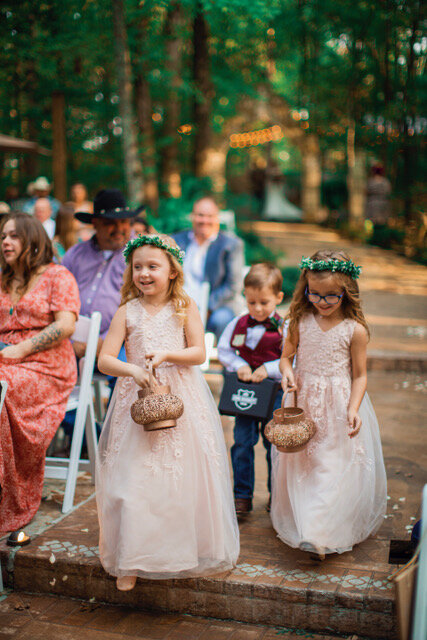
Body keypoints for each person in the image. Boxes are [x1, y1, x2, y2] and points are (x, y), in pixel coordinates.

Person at [96, 234, 239, 590]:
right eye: (138, 267)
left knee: (179, 476)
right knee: (133, 478)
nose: (144, 273)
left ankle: (182, 548)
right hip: (138, 398)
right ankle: (130, 558)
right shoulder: (126, 311)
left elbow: (198, 354)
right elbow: (105, 359)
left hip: (181, 396)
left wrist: (167, 356)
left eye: (153, 267)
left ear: (172, 272)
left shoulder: (185, 306)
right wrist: (132, 369)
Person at [271, 249, 387, 558]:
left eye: (331, 296)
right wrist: (287, 375)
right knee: (305, 463)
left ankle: (317, 534)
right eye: (315, 294)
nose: (322, 302)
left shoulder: (355, 330)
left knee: (331, 467)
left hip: (337, 406)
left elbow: (360, 376)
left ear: (346, 293)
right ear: (305, 289)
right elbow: (286, 358)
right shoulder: (299, 321)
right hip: (304, 402)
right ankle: (310, 524)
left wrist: (353, 408)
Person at [0, 213, 80, 536]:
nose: (6, 242)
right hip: (6, 357)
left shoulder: (58, 277)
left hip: (47, 365)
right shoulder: (3, 279)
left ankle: (9, 491)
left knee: (2, 387)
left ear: (33, 239)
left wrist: (21, 349)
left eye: (14, 236)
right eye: (3, 236)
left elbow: (66, 325)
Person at [218, 263, 285, 514]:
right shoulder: (237, 323)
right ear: (245, 296)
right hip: (244, 394)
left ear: (278, 298)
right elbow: (224, 350)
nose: (257, 308)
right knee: (242, 442)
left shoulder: (285, 327)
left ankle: (276, 495)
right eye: (252, 302)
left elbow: (293, 358)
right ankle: (242, 495)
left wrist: (269, 368)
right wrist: (239, 365)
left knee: (274, 444)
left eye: (264, 303)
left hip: (273, 394)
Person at [62, 189, 138, 358]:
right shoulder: (75, 254)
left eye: (124, 221)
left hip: (122, 341)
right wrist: (71, 341)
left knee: (127, 368)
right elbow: (58, 296)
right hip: (69, 339)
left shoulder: (139, 255)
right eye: (110, 222)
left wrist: (105, 341)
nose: (119, 228)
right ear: (95, 223)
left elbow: (144, 308)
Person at [173, 196, 245, 339]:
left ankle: (222, 358)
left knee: (221, 319)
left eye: (210, 216)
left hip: (216, 306)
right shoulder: (177, 240)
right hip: (179, 303)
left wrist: (206, 306)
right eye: (200, 215)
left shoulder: (230, 245)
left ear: (217, 218)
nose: (205, 221)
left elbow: (233, 285)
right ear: (192, 216)